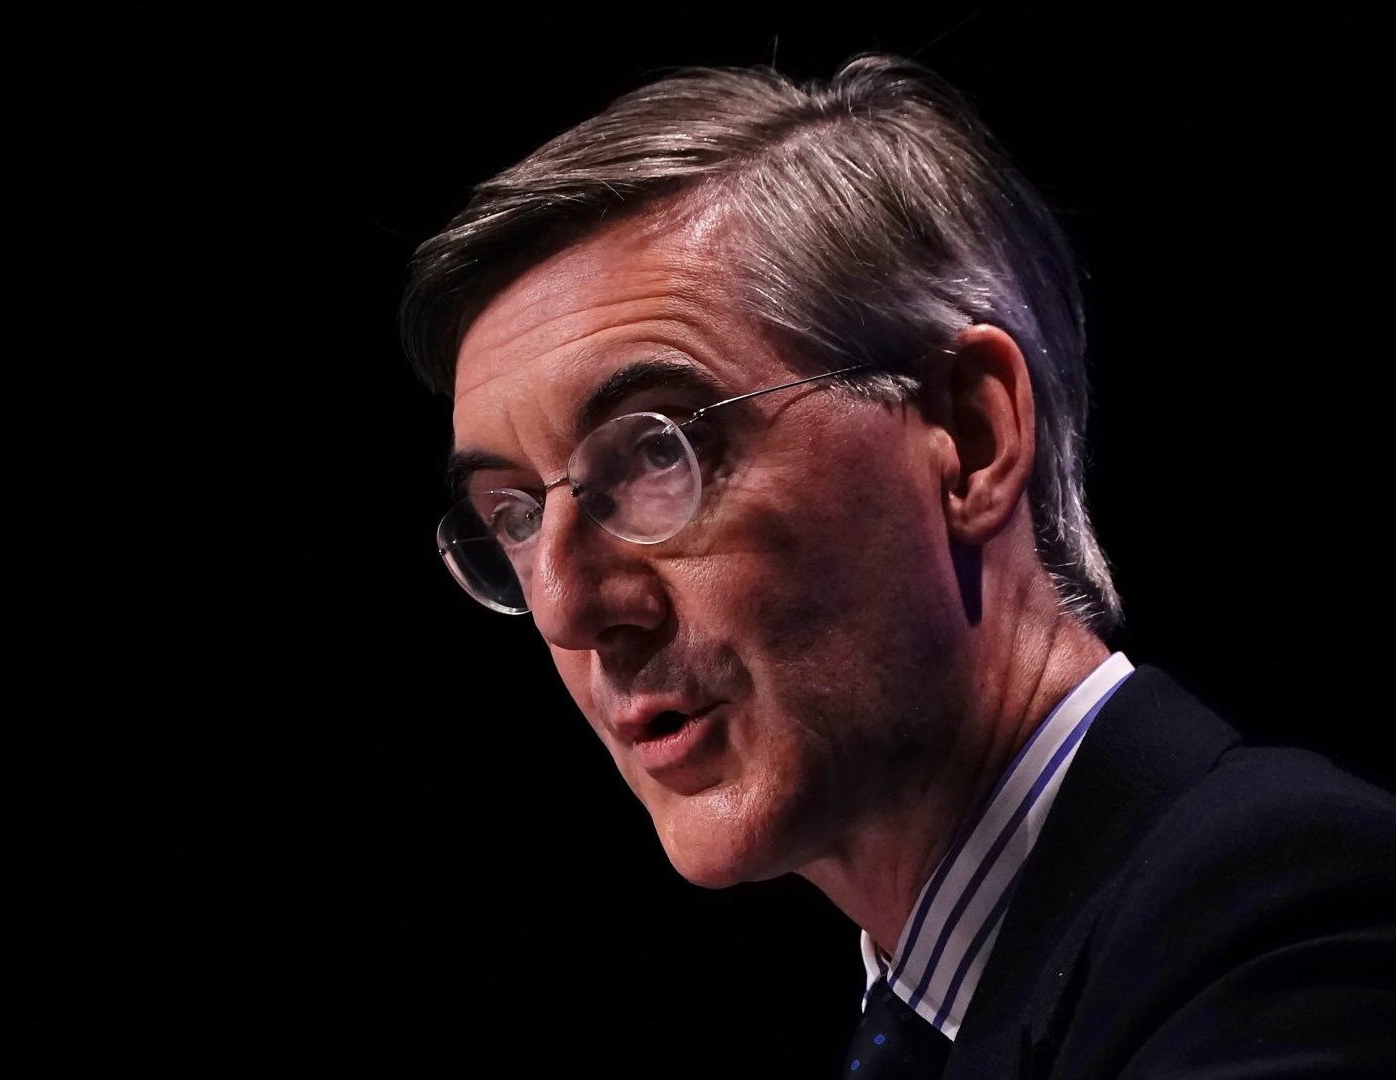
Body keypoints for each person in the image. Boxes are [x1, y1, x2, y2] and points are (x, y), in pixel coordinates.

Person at [402, 54, 1396, 1077]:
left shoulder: (1282, 914)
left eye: (656, 451)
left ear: (968, 437)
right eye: (513, 517)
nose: (567, 606)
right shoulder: (942, 1010)